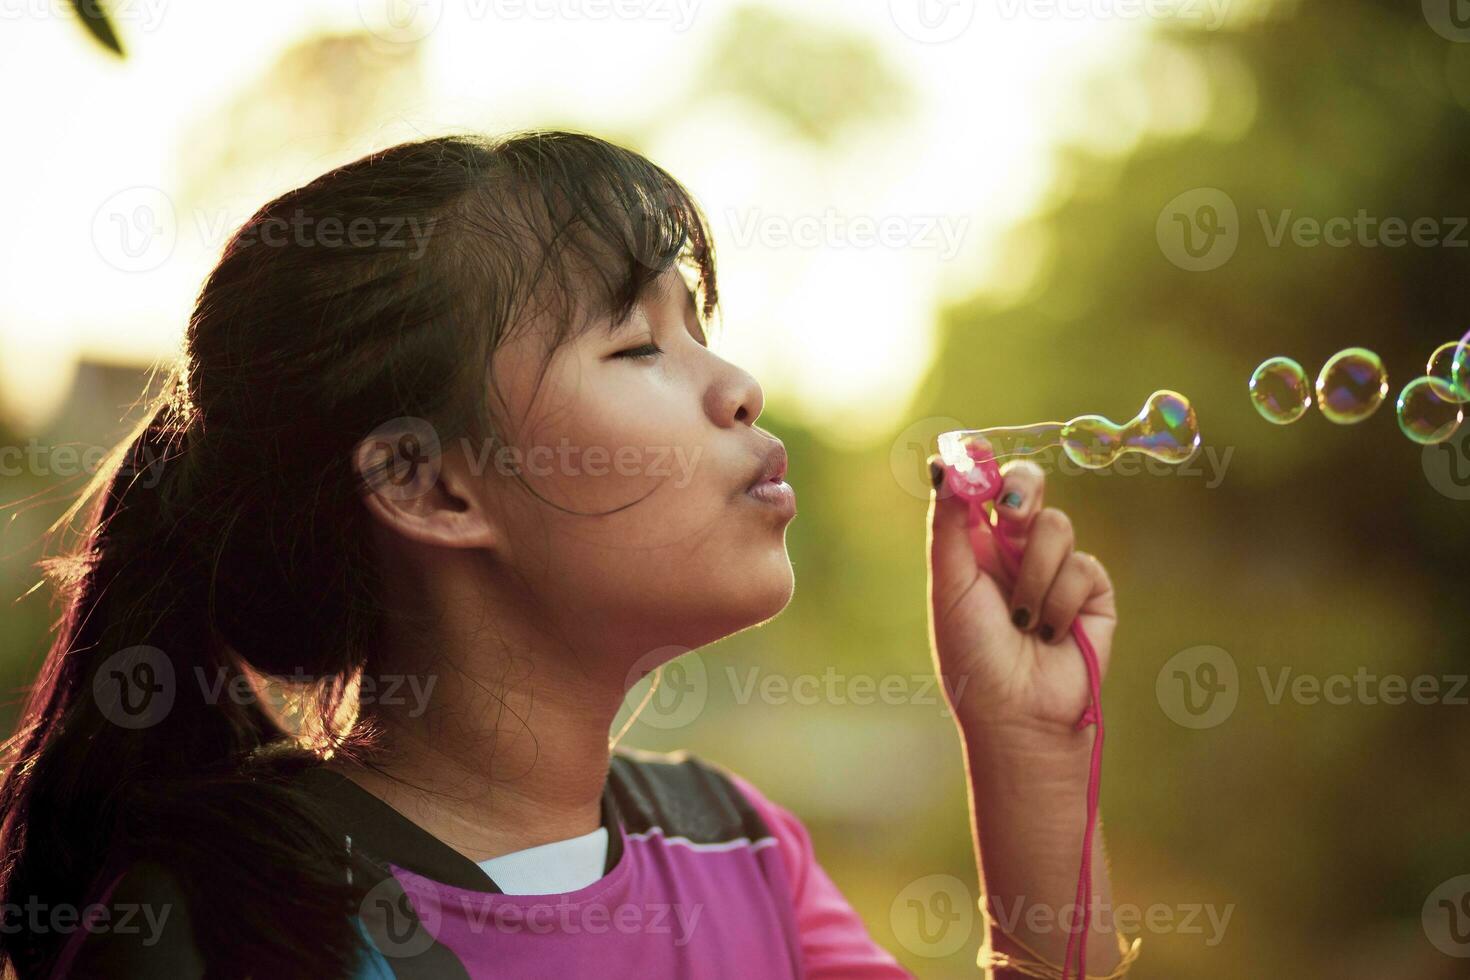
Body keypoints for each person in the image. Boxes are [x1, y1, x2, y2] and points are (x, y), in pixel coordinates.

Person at [0, 131, 1132, 979]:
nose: (738, 387)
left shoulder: (737, 848)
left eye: (699, 327)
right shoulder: (226, 918)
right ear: (427, 483)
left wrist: (1031, 747)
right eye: (638, 342)